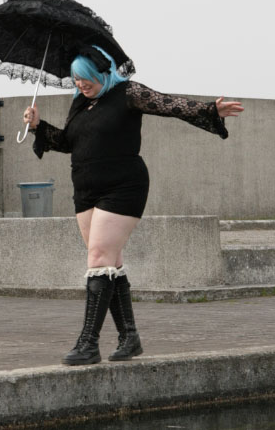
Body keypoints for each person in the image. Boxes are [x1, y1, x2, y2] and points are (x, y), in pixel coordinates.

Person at [22, 45, 244, 366]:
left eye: (86, 78)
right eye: (76, 79)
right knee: (109, 261)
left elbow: (168, 104)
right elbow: (69, 143)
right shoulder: (81, 103)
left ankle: (88, 343)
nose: (80, 84)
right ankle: (129, 337)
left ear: (103, 72)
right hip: (85, 189)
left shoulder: (128, 93)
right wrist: (38, 126)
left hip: (122, 186)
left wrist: (209, 109)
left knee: (98, 258)